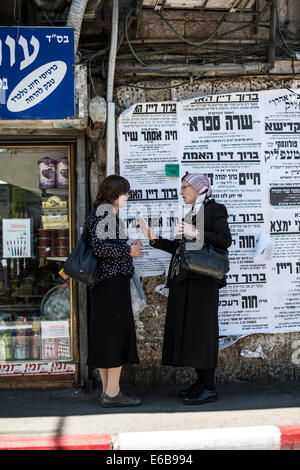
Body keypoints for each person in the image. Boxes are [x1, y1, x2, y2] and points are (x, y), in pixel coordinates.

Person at [139, 173, 232, 405]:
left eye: (185, 187)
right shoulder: (192, 213)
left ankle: (209, 388)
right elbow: (182, 250)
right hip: (188, 281)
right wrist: (154, 239)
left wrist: (197, 233)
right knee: (192, 335)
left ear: (199, 188)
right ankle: (201, 383)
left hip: (204, 283)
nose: (181, 192)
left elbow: (225, 240)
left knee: (203, 335)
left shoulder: (214, 209)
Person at [84, 174, 144, 408]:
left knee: (105, 336)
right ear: (114, 193)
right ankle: (113, 393)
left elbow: (105, 245)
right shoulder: (105, 213)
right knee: (116, 336)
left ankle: (109, 391)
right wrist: (128, 252)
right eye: (125, 192)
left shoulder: (103, 212)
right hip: (112, 284)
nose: (128, 196)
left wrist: (128, 247)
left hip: (105, 284)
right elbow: (101, 248)